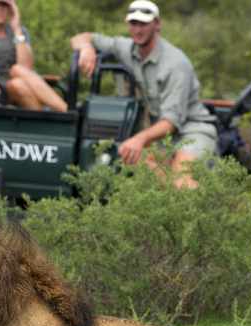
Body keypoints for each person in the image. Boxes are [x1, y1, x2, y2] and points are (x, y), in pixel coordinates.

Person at [70, 0, 218, 188]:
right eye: (134, 23)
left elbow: (171, 122)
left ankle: (188, 197)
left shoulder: (175, 63)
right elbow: (80, 38)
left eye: (144, 24)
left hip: (192, 130)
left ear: (157, 24)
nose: (138, 30)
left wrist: (139, 139)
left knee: (182, 178)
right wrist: (86, 48)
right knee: (130, 158)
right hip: (163, 136)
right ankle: (174, 197)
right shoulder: (127, 48)